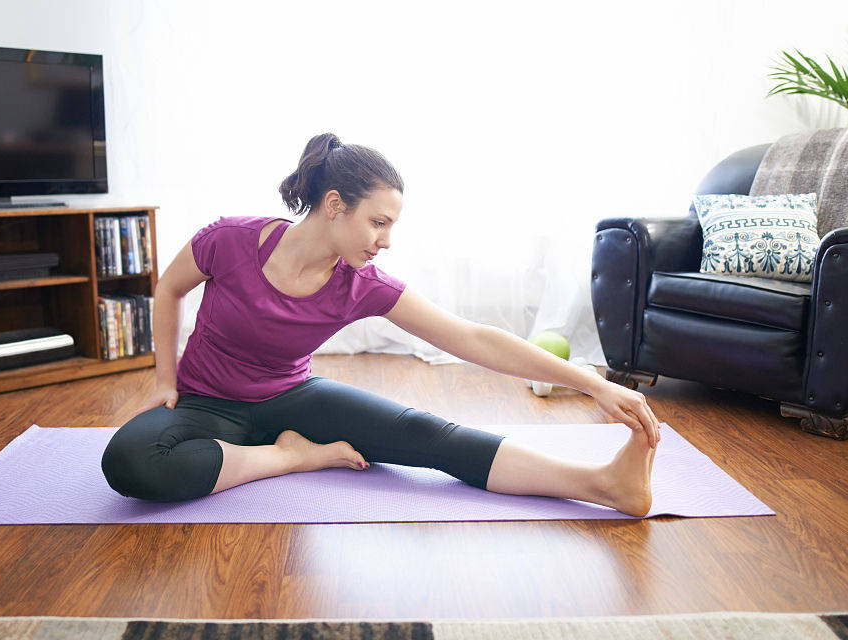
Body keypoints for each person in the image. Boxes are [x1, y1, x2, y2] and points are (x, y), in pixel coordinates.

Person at [101, 133, 661, 517]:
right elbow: (169, 287)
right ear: (335, 204)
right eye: (378, 222)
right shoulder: (231, 240)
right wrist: (163, 382)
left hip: (292, 399)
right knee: (128, 461)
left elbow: (470, 338)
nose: (385, 240)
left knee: (429, 436)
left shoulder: (361, 283)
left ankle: (603, 485)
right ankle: (291, 457)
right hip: (203, 402)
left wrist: (595, 383)